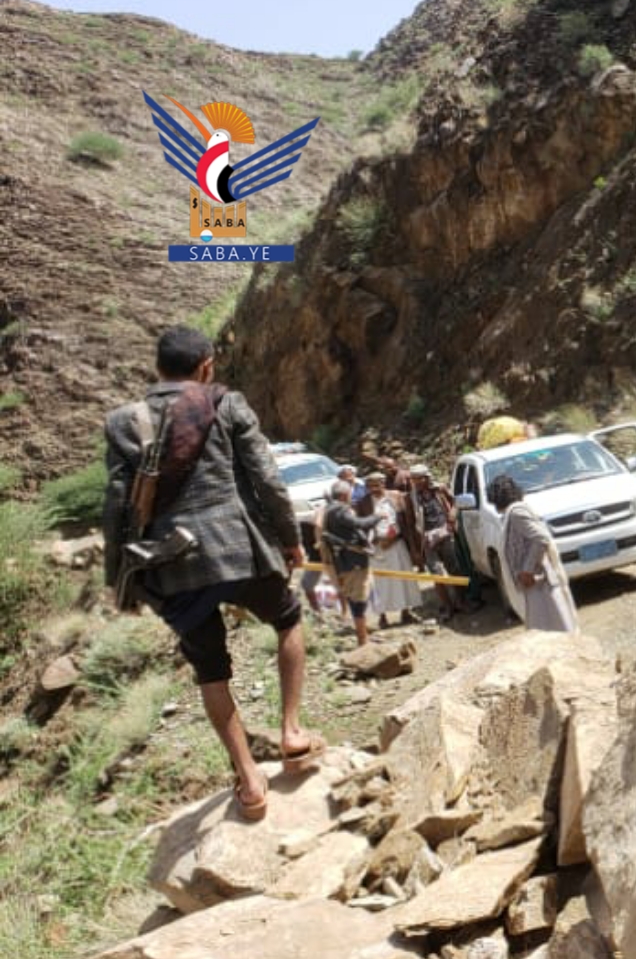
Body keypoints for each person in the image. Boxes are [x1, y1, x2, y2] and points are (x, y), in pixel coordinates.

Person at [102, 326, 322, 822]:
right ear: (206, 365)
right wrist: (290, 539)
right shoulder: (225, 404)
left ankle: (248, 779)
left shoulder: (122, 422)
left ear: (157, 368)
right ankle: (292, 732)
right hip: (238, 550)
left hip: (169, 566)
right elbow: (266, 478)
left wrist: (119, 579)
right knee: (287, 618)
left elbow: (116, 506)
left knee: (210, 669)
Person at [489, 474, 579, 633]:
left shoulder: (516, 514)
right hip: (535, 584)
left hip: (540, 583)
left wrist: (527, 569)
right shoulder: (513, 513)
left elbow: (540, 538)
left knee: (554, 632)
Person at [321, 480, 381, 646]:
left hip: (348, 559)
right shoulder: (339, 510)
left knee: (358, 597)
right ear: (343, 495)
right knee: (358, 599)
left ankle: (364, 635)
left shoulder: (330, 509)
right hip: (352, 560)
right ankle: (362, 639)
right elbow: (357, 524)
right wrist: (377, 517)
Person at [406, 464, 465, 620]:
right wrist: (415, 549)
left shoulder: (439, 489)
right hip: (427, 540)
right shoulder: (410, 497)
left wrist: (452, 515)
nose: (417, 482)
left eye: (420, 479)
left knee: (454, 569)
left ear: (427, 478)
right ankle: (448, 606)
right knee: (436, 574)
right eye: (414, 479)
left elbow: (456, 503)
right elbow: (410, 523)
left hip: (445, 533)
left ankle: (461, 602)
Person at [366, 470, 420, 628]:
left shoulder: (395, 497)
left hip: (397, 545)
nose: (374, 489)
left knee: (403, 579)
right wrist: (375, 539)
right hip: (377, 549)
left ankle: (406, 612)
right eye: (371, 486)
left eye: (377, 485)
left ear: (383, 484)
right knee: (380, 583)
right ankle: (383, 617)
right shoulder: (364, 503)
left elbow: (407, 522)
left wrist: (397, 539)